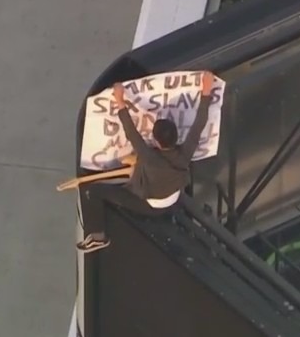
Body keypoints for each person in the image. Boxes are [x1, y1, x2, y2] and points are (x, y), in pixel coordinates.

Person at [76, 70, 216, 253]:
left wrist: (119, 99)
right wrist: (206, 91)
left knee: (92, 190)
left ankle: (97, 237)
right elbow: (199, 125)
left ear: (156, 141)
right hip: (173, 198)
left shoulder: (149, 157)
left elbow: (131, 132)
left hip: (149, 204)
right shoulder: (185, 153)